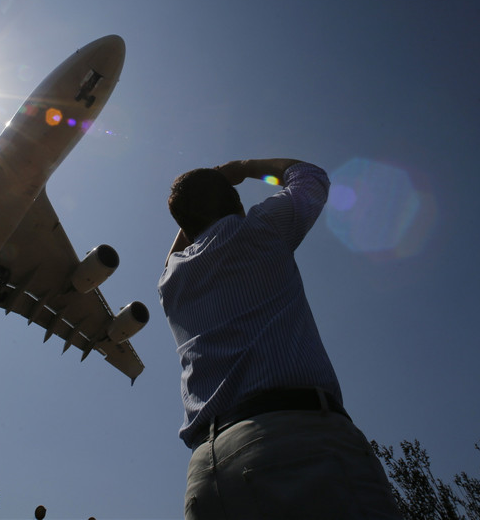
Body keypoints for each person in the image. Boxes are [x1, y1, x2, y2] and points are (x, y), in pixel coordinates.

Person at [158, 159, 402, 520]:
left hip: (208, 469)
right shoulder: (262, 227)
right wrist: (244, 168)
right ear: (237, 204)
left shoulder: (171, 283)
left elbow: (172, 259)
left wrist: (199, 201)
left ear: (185, 225)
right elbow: (310, 176)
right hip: (297, 443)